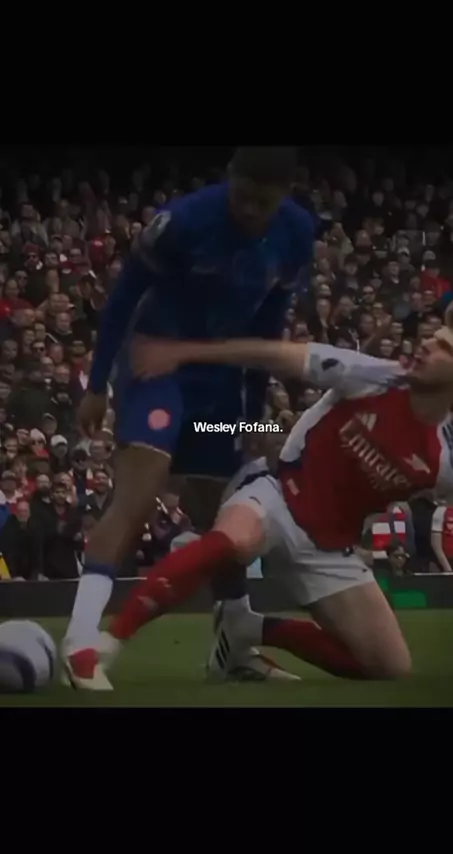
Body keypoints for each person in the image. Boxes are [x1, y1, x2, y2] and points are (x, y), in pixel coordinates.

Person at [98, 289, 453, 685]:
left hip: (326, 542)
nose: (425, 345)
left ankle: (243, 630)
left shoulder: (449, 454)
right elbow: (265, 368)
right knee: (232, 532)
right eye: (431, 339)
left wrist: (253, 427)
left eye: (443, 348)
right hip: (271, 489)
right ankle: (112, 641)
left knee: (390, 666)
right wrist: (188, 367)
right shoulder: (360, 381)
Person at [61, 146, 314, 690]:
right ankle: (80, 639)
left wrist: (251, 418)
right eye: (242, 196)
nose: (249, 210)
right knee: (139, 491)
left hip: (221, 387)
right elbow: (124, 296)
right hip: (157, 366)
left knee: (224, 510)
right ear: (230, 179)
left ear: (284, 195)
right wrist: (99, 384)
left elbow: (268, 327)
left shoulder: (297, 233)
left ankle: (234, 648)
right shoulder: (184, 222)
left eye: (263, 202)